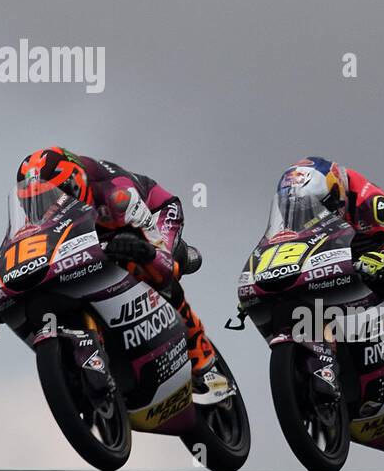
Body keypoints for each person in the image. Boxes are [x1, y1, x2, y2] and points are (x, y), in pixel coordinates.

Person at [14, 147, 226, 399]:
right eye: (33, 201)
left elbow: (163, 265)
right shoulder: (44, 215)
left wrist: (144, 252)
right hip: (98, 228)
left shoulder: (117, 195)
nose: (42, 208)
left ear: (74, 186)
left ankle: (201, 352)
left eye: (49, 199)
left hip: (151, 214)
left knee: (155, 273)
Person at [270, 157, 384, 422]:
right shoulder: (292, 216)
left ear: (335, 199)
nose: (303, 218)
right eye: (295, 211)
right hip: (337, 276)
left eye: (313, 210)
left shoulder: (372, 203)